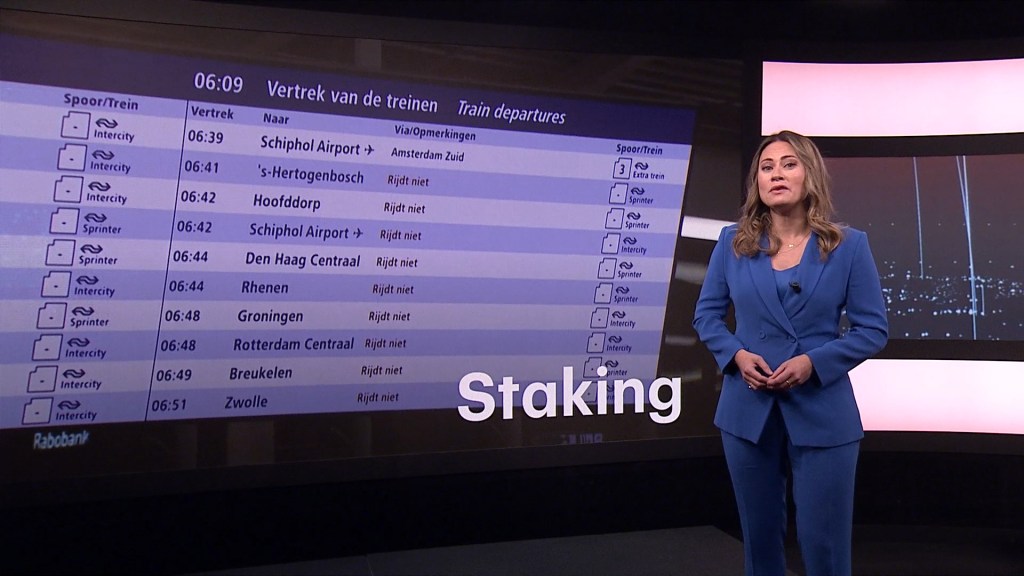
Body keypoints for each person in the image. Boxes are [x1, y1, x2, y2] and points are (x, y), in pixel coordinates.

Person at [692, 130, 888, 576]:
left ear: (809, 174)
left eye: (788, 164)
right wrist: (736, 356)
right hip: (748, 409)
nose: (776, 174)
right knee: (759, 544)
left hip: (821, 408)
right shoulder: (733, 242)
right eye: (767, 167)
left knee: (824, 546)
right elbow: (706, 316)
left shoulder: (848, 245)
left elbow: (873, 329)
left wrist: (813, 363)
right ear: (757, 182)